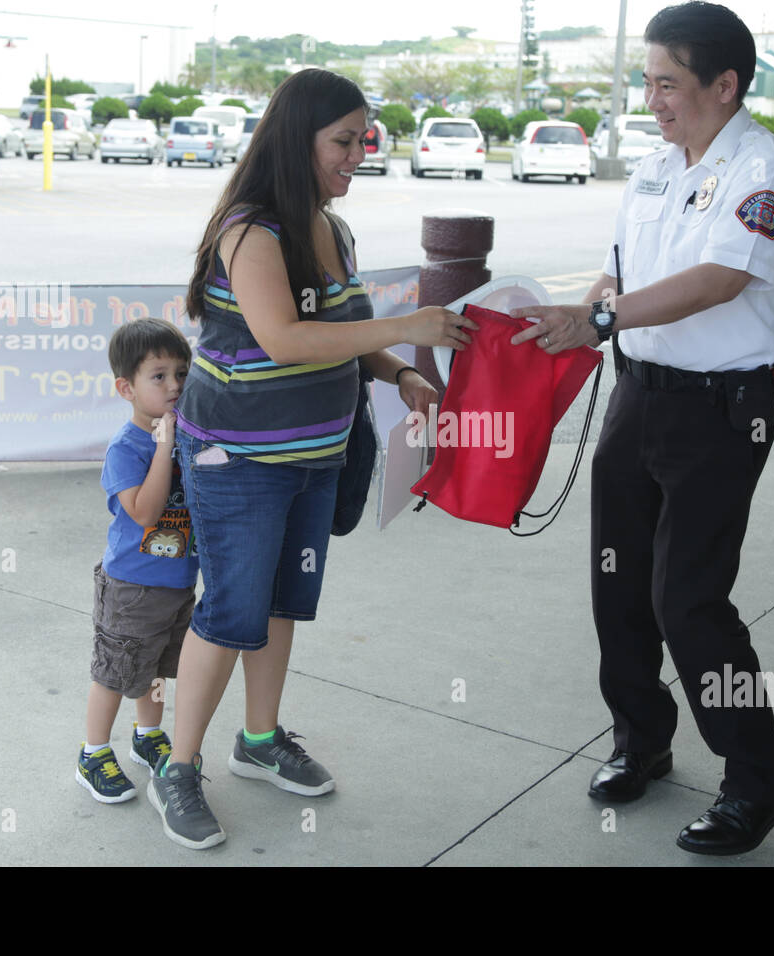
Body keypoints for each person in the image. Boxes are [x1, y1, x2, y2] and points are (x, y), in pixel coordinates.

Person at [509, 1, 774, 856]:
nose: (653, 100)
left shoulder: (766, 170)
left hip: (722, 410)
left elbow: (721, 278)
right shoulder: (652, 169)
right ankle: (640, 738)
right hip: (639, 393)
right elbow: (622, 273)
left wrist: (602, 324)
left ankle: (759, 782)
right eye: (647, 82)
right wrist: (585, 311)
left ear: (726, 84)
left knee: (691, 600)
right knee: (620, 582)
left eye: (668, 83)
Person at [148, 68, 477, 849]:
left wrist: (400, 371)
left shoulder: (332, 226)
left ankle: (258, 741)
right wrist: (408, 331)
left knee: (284, 604)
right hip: (239, 462)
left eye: (364, 138)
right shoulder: (252, 230)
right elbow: (286, 340)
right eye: (343, 139)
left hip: (316, 455)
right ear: (299, 142)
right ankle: (178, 769)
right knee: (229, 613)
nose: (358, 152)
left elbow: (345, 329)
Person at [76, 318, 196, 803]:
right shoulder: (126, 450)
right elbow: (145, 512)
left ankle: (147, 737)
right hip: (132, 587)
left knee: (159, 670)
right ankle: (93, 753)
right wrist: (164, 446)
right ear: (127, 387)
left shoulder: (186, 436)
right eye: (160, 375)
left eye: (182, 375)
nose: (174, 386)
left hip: (178, 582)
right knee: (114, 671)